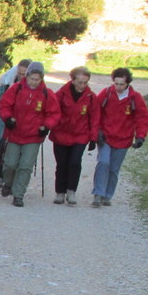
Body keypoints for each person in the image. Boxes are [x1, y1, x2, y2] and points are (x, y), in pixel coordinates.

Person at [0, 61, 61, 207]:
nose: (34, 82)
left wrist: (46, 126)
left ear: (41, 79)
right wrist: (7, 118)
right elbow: (4, 105)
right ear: (27, 76)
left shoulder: (47, 94)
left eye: (37, 79)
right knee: (9, 164)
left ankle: (18, 194)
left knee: (26, 166)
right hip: (15, 132)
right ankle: (8, 183)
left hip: (34, 135)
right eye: (32, 78)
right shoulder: (16, 89)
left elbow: (54, 113)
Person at [92, 67, 148, 207]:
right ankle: (98, 194)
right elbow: (95, 113)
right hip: (105, 136)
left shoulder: (135, 98)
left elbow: (142, 118)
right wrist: (97, 131)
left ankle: (107, 195)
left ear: (128, 84)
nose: (118, 87)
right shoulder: (106, 94)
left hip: (124, 139)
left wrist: (141, 136)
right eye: (116, 83)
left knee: (113, 169)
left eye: (121, 84)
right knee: (103, 162)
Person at [50, 66, 101, 206]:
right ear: (72, 80)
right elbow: (52, 111)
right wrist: (49, 126)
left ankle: (71, 190)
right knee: (61, 164)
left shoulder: (91, 98)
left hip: (80, 135)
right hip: (61, 133)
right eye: (79, 82)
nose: (82, 85)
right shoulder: (61, 94)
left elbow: (95, 118)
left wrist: (93, 138)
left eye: (85, 82)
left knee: (74, 162)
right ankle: (60, 192)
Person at [0, 59, 31, 184]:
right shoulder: (6, 87)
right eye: (20, 73)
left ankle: (14, 179)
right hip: (4, 125)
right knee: (2, 150)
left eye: (25, 74)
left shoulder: (35, 91)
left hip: (24, 128)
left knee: (19, 154)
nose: (22, 77)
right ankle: (1, 176)